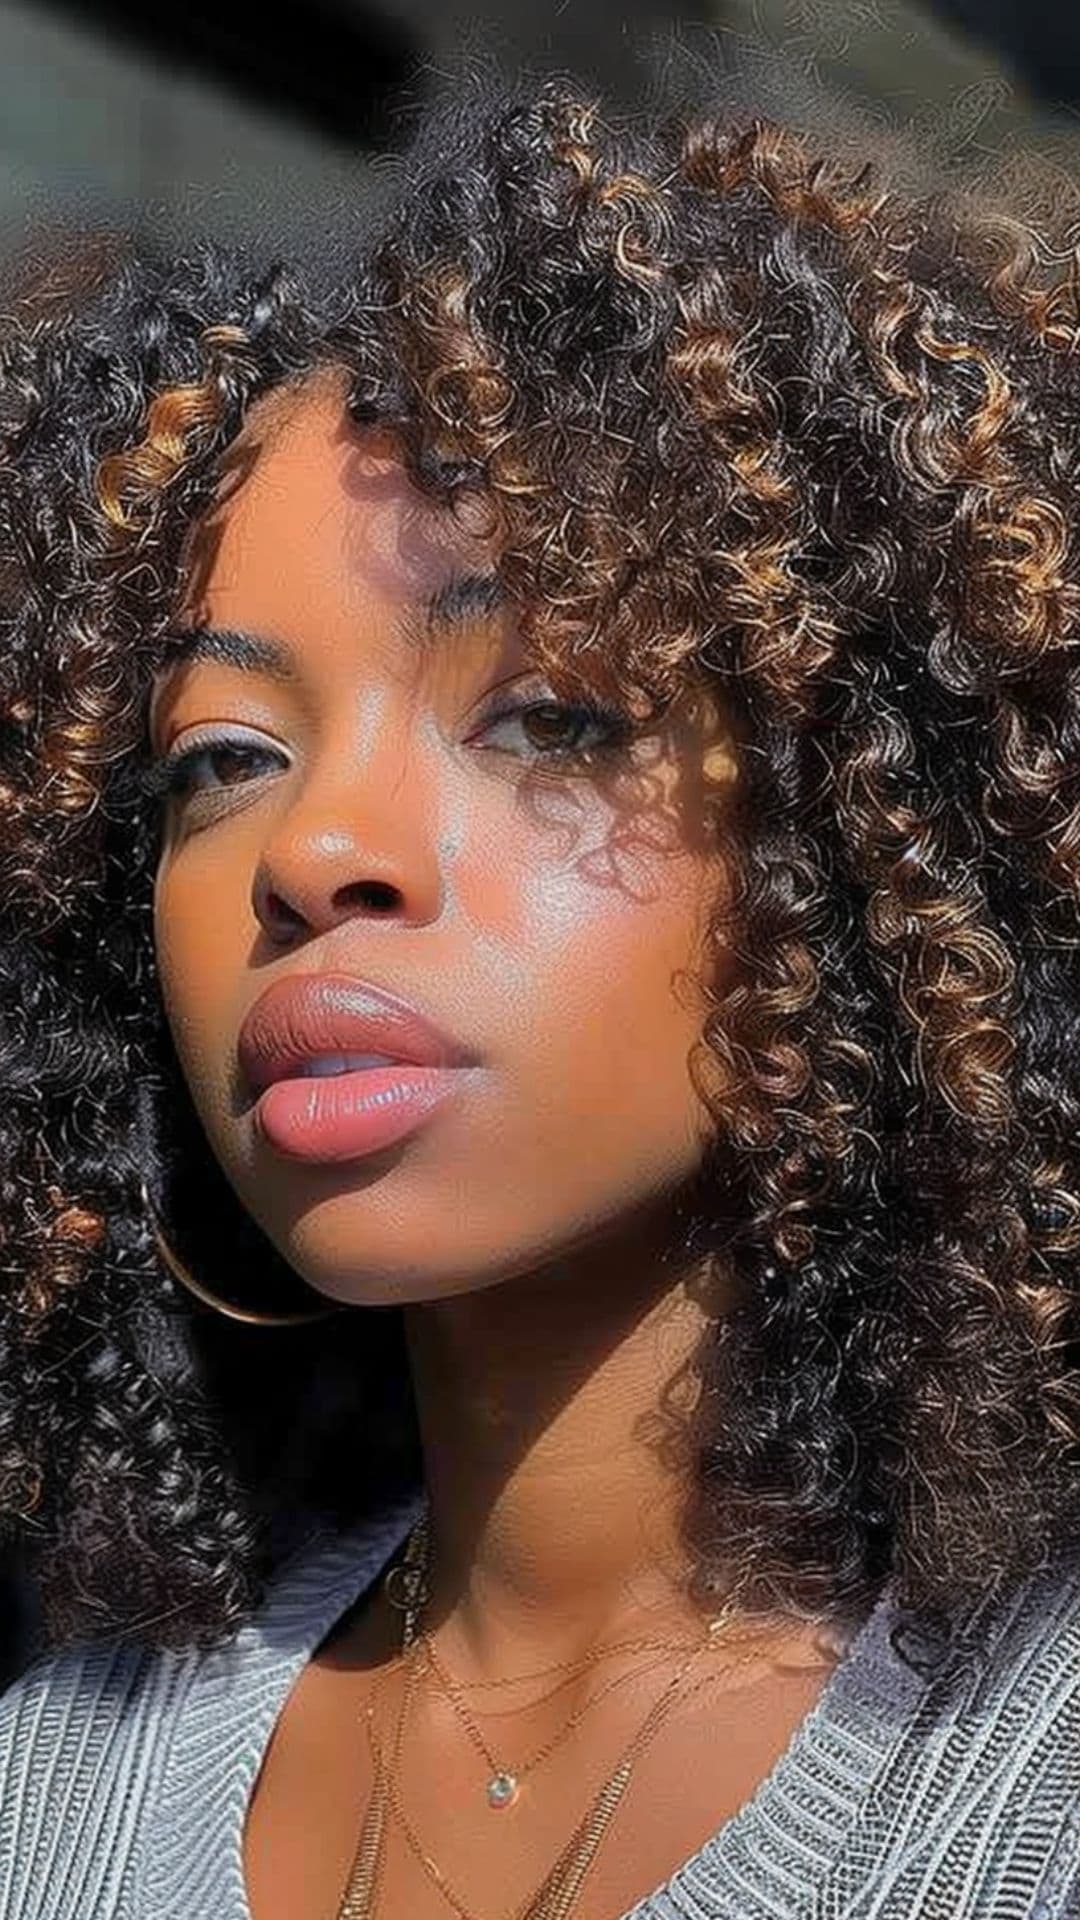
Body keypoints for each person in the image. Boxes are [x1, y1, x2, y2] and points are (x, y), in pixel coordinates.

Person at [0, 67, 1079, 1920]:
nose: (314, 848)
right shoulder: (48, 1791)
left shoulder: (1026, 1784)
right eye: (221, 756)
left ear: (855, 834)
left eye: (547, 714)